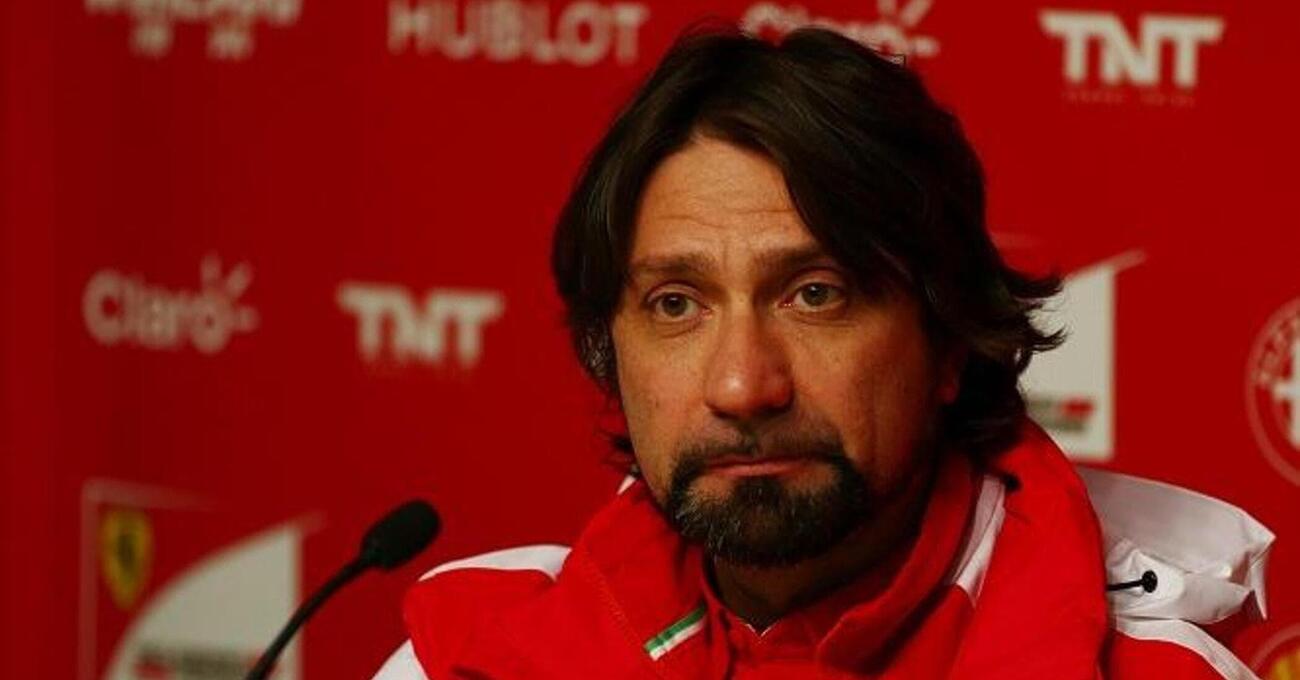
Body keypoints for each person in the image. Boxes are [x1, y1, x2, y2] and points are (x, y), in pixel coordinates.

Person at [390, 25, 1272, 679]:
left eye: (816, 294)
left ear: (948, 338)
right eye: (676, 304)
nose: (743, 384)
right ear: (607, 350)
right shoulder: (465, 660)